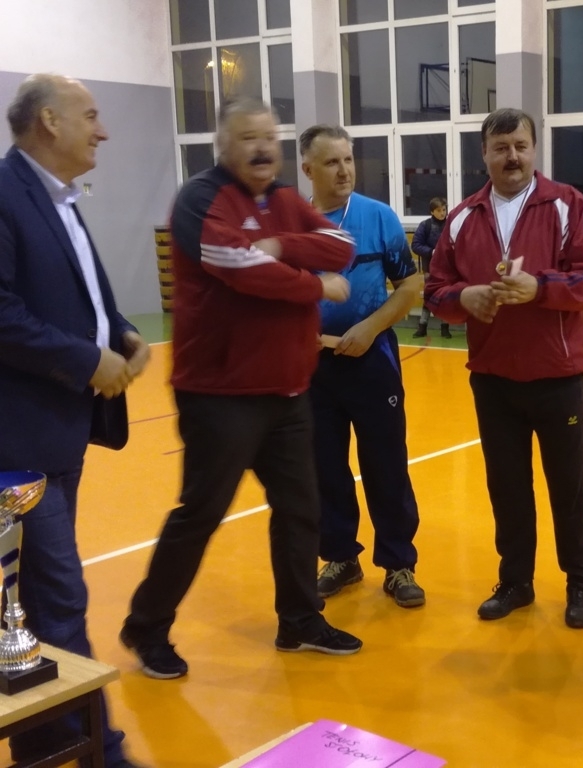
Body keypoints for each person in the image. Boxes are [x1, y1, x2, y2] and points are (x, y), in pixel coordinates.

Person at [122, 100, 363, 680]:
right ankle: (146, 625)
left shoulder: (283, 200)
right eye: (248, 137)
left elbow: (342, 245)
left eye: (269, 137)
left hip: (286, 391)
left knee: (300, 510)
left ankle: (299, 620)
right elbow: (232, 262)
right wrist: (313, 286)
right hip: (219, 395)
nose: (262, 148)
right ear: (224, 146)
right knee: (202, 513)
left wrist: (279, 246)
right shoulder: (201, 198)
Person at [0, 73, 149, 768]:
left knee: (35, 598)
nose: (103, 131)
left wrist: (119, 330)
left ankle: (44, 739)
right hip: (18, 441)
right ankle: (100, 754)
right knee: (59, 594)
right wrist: (88, 360)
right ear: (49, 121)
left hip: (58, 432)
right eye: (90, 116)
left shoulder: (57, 196)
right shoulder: (5, 194)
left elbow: (78, 290)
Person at [423, 108, 583, 629]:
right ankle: (516, 581)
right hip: (493, 378)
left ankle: (579, 582)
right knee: (506, 487)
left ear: (534, 149)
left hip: (557, 375)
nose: (512, 156)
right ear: (484, 153)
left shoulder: (567, 204)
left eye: (521, 146)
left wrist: (540, 288)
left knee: (569, 488)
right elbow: (435, 291)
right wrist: (465, 297)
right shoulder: (462, 217)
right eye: (501, 147)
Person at [299, 124, 426, 608]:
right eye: (332, 162)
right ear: (308, 169)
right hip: (313, 368)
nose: (344, 170)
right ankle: (340, 558)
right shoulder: (293, 227)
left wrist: (370, 329)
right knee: (325, 467)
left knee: (386, 465)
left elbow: (410, 286)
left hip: (373, 361)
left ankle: (398, 564)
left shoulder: (378, 217)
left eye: (348, 160)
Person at [411, 197, 450, 339]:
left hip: (447, 268)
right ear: (432, 212)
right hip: (430, 269)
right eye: (439, 210)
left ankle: (445, 328)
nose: (442, 213)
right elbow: (415, 245)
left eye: (444, 210)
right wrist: (432, 252)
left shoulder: (450, 224)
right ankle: (422, 327)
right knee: (428, 297)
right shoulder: (425, 225)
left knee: (445, 297)